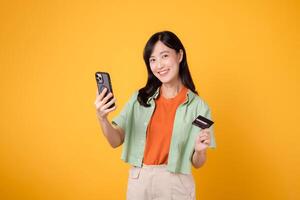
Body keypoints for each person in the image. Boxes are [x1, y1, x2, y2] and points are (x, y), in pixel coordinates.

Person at [94, 31, 216, 200]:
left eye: (164, 56)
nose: (159, 65)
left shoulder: (198, 106)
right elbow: (115, 141)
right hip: (140, 181)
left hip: (176, 183)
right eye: (152, 59)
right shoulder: (139, 99)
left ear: (179, 55)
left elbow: (197, 163)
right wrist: (102, 118)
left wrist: (200, 152)